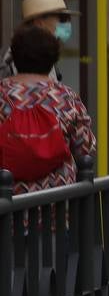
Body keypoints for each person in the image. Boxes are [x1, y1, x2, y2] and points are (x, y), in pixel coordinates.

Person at [0, 25, 94, 193]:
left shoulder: (2, 95)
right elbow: (85, 149)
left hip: (8, 206)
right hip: (56, 205)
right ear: (52, 59)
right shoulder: (66, 98)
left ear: (15, 56)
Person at [0, 0, 77, 80]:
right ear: (39, 23)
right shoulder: (11, 59)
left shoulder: (47, 57)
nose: (66, 24)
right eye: (62, 19)